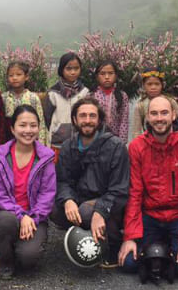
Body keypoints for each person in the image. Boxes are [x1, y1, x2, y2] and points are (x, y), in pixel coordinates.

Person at [119, 96, 178, 279]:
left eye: (164, 113)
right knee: (128, 263)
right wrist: (130, 237)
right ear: (148, 118)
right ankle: (161, 246)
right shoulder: (136, 147)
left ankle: (172, 245)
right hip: (150, 215)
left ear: (174, 115)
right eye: (154, 113)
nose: (159, 118)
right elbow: (134, 193)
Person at [51, 97, 129, 267]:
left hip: (107, 202)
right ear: (74, 119)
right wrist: (67, 200)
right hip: (79, 198)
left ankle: (112, 241)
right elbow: (63, 181)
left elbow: (120, 189)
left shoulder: (115, 146)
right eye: (83, 116)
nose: (87, 121)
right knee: (55, 209)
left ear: (99, 119)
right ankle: (84, 234)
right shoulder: (68, 146)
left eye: (92, 116)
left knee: (86, 212)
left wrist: (100, 210)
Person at [0, 106, 56, 280]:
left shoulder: (45, 157)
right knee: (4, 222)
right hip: (9, 214)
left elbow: (47, 195)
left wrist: (32, 218)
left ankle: (19, 250)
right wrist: (21, 216)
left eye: (33, 125)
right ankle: (6, 260)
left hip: (35, 217)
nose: (28, 130)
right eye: (22, 125)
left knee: (28, 258)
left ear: (38, 128)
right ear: (12, 128)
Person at [43, 52, 90, 158]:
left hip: (80, 140)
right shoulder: (53, 93)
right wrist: (57, 128)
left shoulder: (84, 92)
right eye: (69, 68)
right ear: (61, 69)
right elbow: (47, 118)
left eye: (76, 68)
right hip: (58, 142)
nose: (73, 72)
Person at [2, 61, 47, 145]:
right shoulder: (4, 98)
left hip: (29, 137)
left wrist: (41, 143)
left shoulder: (33, 98)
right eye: (11, 75)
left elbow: (41, 121)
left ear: (26, 77)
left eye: (18, 75)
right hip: (8, 140)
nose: (14, 78)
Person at [131, 67, 178, 138]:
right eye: (149, 84)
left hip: (171, 141)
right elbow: (136, 131)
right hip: (149, 143)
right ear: (143, 85)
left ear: (162, 85)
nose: (153, 87)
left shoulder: (170, 101)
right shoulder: (140, 106)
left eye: (157, 84)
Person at [90, 60, 129, 141]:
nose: (107, 77)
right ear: (97, 76)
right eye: (102, 74)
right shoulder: (91, 95)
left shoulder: (122, 96)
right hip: (96, 138)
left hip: (115, 139)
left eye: (110, 73)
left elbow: (124, 121)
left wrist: (121, 142)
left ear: (116, 76)